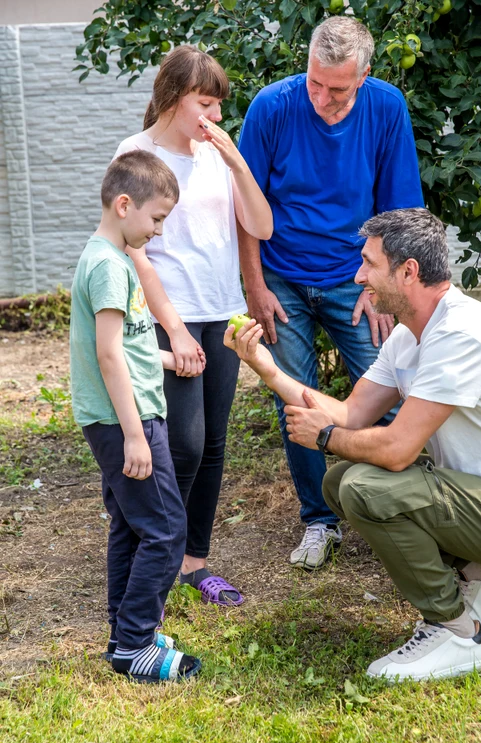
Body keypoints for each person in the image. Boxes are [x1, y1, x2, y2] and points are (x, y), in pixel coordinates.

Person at [225, 207, 481, 682]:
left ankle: (455, 631)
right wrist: (267, 369)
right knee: (341, 480)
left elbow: (396, 449)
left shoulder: (461, 333)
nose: (358, 276)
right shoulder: (410, 336)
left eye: (370, 263)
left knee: (366, 489)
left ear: (408, 270)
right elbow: (352, 413)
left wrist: (326, 437)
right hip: (477, 494)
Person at [237, 16, 424, 570]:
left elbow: (400, 210)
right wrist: (255, 285)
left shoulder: (387, 107)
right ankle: (320, 522)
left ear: (363, 76)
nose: (322, 97)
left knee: (389, 394)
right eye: (314, 82)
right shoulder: (271, 106)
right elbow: (245, 208)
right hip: (282, 279)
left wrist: (381, 288)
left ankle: (403, 513)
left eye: (337, 88)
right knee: (294, 399)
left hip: (357, 279)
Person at [114, 45, 273, 605]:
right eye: (206, 103)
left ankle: (192, 561)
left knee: (212, 445)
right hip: (169, 317)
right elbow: (133, 252)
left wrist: (236, 161)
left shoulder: (217, 154)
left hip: (222, 313)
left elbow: (262, 224)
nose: (216, 116)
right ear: (175, 98)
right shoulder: (135, 152)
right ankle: (150, 548)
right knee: (179, 441)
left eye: (219, 106)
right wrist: (173, 328)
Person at [70, 150, 202, 683]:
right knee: (168, 531)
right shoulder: (108, 265)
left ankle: (123, 632)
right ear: (124, 205)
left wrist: (172, 358)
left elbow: (128, 344)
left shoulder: (113, 258)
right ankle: (134, 645)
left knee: (132, 524)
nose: (159, 231)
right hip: (127, 420)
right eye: (157, 219)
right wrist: (134, 436)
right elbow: (107, 354)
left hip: (127, 416)